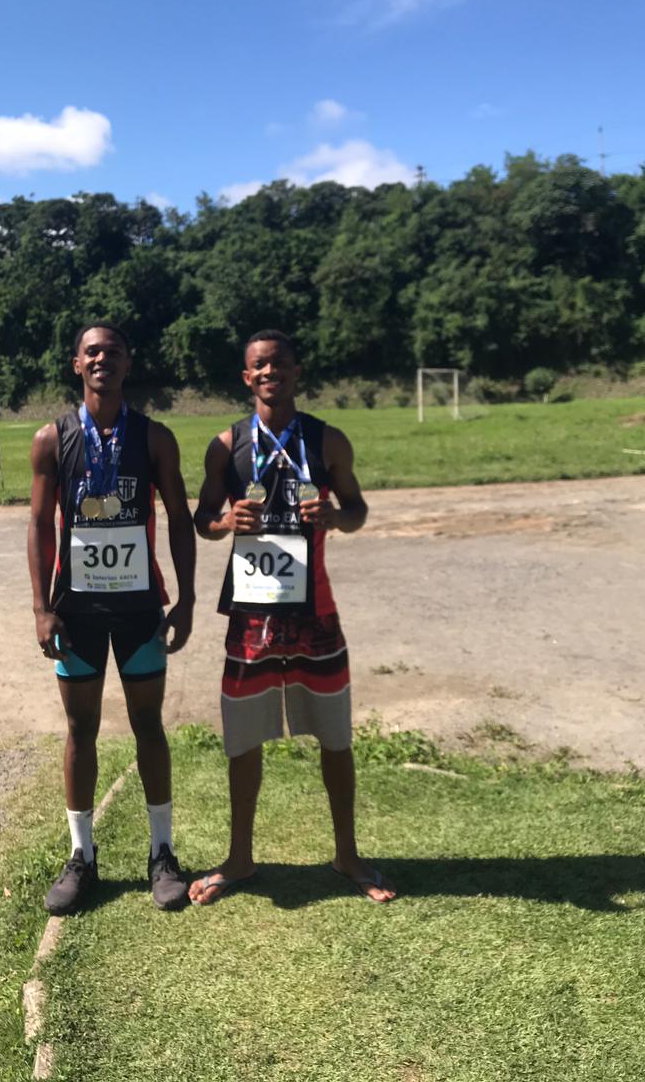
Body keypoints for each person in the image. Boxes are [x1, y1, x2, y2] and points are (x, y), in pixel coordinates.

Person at [188, 329, 395, 905]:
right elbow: (201, 519)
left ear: (295, 370)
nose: (269, 372)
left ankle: (347, 854)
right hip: (252, 613)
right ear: (246, 377)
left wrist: (332, 516)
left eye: (278, 363)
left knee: (335, 736)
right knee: (242, 739)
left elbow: (357, 511)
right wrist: (228, 523)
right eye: (259, 365)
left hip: (314, 611)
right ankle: (239, 858)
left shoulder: (327, 441)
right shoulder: (226, 445)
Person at [28, 323, 195, 913]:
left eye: (113, 351)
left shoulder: (153, 438)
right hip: (77, 612)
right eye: (92, 351)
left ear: (128, 362)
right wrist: (42, 607)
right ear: (77, 363)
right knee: (81, 730)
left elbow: (179, 516)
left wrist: (189, 599)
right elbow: (40, 525)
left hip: (138, 609)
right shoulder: (52, 438)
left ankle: (162, 853)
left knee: (149, 726)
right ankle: (82, 856)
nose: (103, 358)